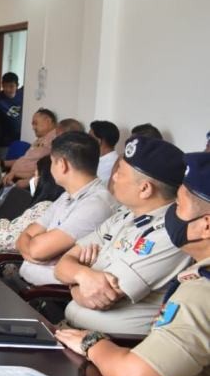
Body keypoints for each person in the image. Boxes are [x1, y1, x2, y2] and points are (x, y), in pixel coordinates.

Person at [55, 151, 210, 376]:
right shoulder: (197, 276)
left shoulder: (202, 292)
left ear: (206, 224)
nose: (172, 214)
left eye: (179, 205)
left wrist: (92, 341)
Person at [54, 136, 192, 336]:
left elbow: (102, 297)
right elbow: (62, 265)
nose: (114, 177)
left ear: (145, 189)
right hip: (72, 331)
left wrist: (76, 280)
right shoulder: (124, 215)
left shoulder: (169, 234)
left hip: (114, 344)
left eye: (120, 172)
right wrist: (83, 275)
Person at [16, 131, 118, 286]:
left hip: (48, 297)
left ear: (62, 164)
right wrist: (31, 252)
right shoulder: (66, 196)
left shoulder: (96, 204)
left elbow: (37, 250)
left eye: (51, 161)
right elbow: (25, 235)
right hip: (27, 286)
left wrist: (33, 249)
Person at [4, 108, 59, 187]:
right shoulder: (41, 139)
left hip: (25, 183)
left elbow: (47, 172)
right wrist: (3, 163)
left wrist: (27, 180)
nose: (33, 127)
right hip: (13, 176)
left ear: (48, 121)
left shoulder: (54, 140)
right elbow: (26, 159)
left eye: (35, 123)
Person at [0, 72, 24, 158]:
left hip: (20, 138)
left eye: (11, 86)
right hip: (3, 142)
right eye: (5, 86)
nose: (8, 89)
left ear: (17, 85)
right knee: (3, 165)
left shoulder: (22, 95)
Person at [90, 120, 120, 185]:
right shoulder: (95, 158)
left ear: (99, 141)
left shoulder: (113, 164)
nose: (86, 140)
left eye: (89, 137)